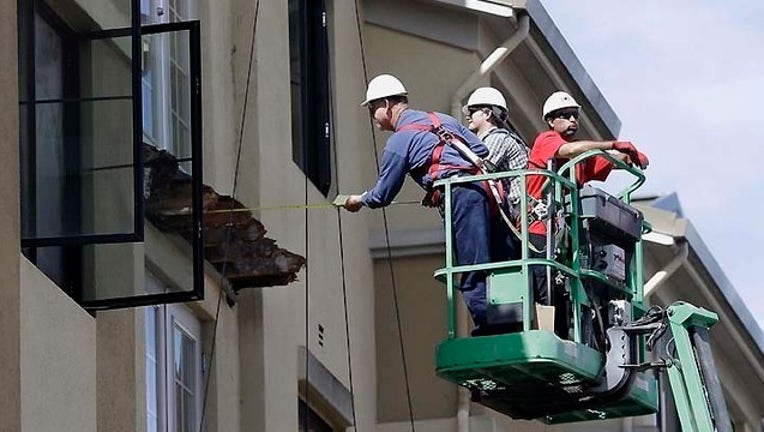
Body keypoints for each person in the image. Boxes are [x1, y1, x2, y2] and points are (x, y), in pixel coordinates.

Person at [341, 74, 511, 334]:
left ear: (386, 104)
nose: (373, 116)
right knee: (496, 259)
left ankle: (489, 328)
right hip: (485, 191)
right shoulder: (443, 120)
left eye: (373, 108)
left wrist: (358, 200)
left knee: (471, 263)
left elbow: (382, 194)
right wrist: (439, 181)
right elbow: (481, 150)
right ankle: (511, 322)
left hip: (461, 196)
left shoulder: (399, 141)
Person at [526, 91, 649, 305]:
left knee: (571, 288)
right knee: (546, 286)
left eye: (575, 115)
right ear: (550, 120)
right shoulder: (546, 140)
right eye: (565, 115)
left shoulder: (581, 156)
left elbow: (600, 161)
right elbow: (570, 150)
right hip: (539, 229)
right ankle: (548, 326)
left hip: (565, 232)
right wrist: (612, 144)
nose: (572, 120)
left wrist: (627, 157)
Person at [462, 87, 529, 206]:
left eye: (471, 111)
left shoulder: (497, 138)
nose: (468, 116)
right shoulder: (496, 138)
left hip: (519, 207)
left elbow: (476, 172)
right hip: (518, 208)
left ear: (487, 113)